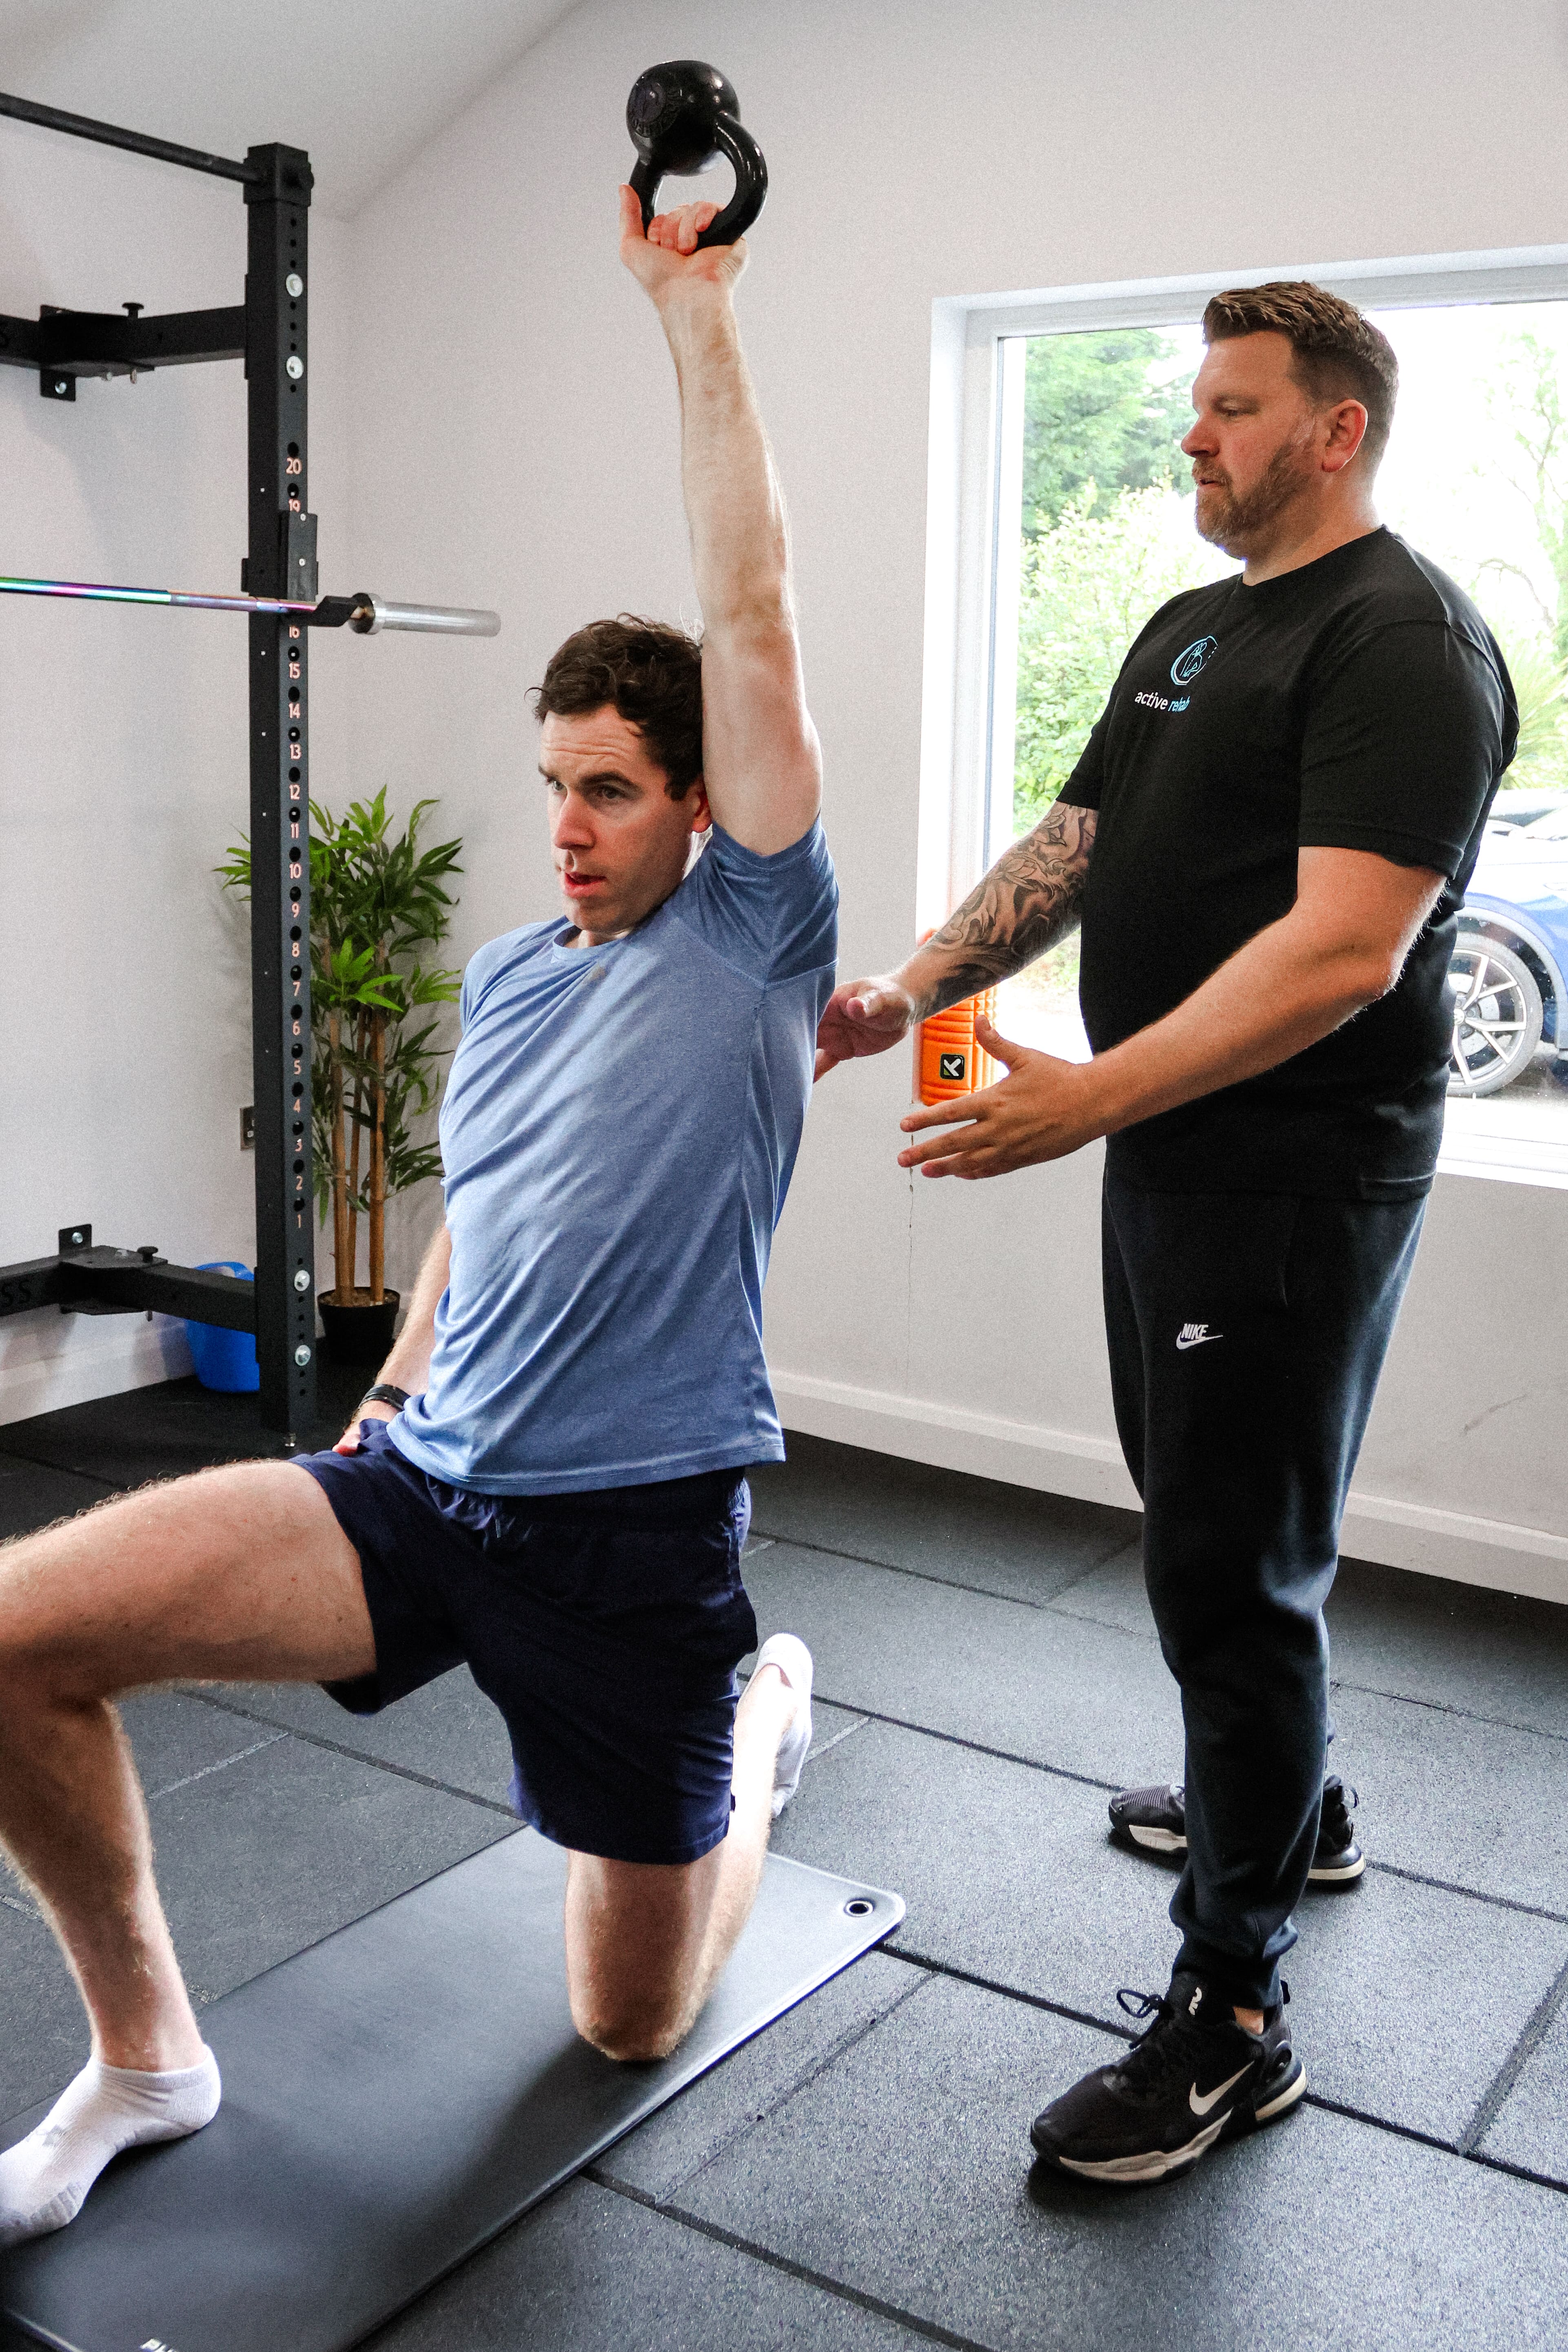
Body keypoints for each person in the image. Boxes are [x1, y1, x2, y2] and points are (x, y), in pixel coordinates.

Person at [0, 185, 835, 2246]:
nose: (566, 825)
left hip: (635, 1541)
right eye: (553, 781)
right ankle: (146, 2058)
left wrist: (691, 311)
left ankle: (751, 1735)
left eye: (614, 789)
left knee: (625, 2021)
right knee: (15, 1641)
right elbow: (489, 1192)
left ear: (704, 801)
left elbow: (754, 616)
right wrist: (394, 1372)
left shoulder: (750, 936)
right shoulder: (518, 967)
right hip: (417, 1488)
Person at [816, 281, 1516, 2184]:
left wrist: (1086, 1097)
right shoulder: (1196, 626)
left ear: (1334, 428)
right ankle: (1295, 1808)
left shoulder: (1403, 641)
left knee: (1228, 1572)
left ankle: (1233, 2013)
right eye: (1191, 409)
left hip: (1291, 1175)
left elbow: (1342, 952)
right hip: (1175, 1160)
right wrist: (909, 982)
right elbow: (1080, 843)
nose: (1191, 439)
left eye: (1227, 408)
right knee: (1215, 1519)